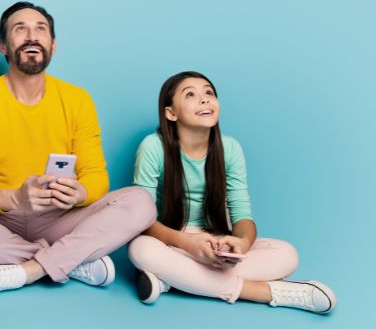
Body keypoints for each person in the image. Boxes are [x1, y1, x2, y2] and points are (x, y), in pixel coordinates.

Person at [0, 1, 157, 298]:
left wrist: (80, 193)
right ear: (3, 46)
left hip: (62, 218)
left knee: (141, 202)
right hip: (2, 220)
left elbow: (96, 176)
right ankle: (71, 262)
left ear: (52, 46)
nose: (31, 35)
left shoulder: (77, 100)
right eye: (20, 29)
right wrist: (14, 198)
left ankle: (31, 270)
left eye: (40, 29)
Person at [128, 71, 336, 313]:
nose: (205, 99)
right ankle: (269, 292)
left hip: (217, 241)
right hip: (172, 240)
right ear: (170, 113)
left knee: (287, 254)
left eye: (209, 93)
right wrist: (188, 243)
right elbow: (142, 218)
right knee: (139, 248)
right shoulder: (153, 147)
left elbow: (243, 215)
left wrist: (241, 244)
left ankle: (173, 280)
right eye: (191, 95)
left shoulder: (231, 148)